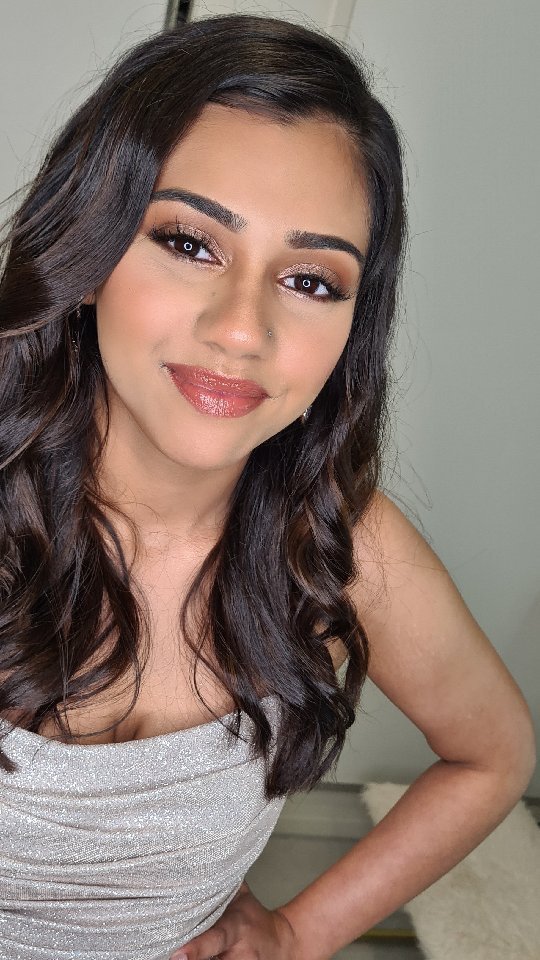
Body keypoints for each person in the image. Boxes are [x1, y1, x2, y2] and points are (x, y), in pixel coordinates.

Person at [0, 12, 535, 960]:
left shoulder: (340, 542)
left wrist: (296, 933)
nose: (243, 329)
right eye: (190, 242)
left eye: (312, 281)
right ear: (88, 255)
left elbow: (493, 756)